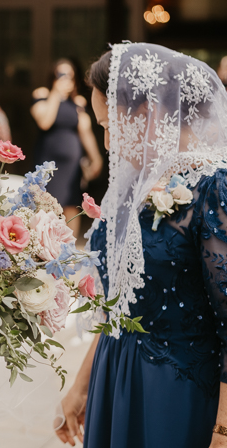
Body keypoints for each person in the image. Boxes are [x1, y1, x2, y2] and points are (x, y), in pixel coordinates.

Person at [56, 43, 227, 448]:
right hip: (114, 376)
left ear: (147, 113)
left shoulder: (211, 188)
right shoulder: (130, 186)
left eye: (108, 125)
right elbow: (121, 302)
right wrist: (82, 385)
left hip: (177, 391)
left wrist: (223, 428)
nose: (109, 143)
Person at [31, 59, 102, 237]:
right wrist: (56, 93)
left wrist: (96, 158)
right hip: (48, 162)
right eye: (61, 75)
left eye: (70, 76)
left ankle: (69, 247)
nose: (66, 79)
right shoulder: (42, 94)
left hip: (71, 165)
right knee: (48, 203)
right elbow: (45, 122)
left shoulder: (78, 103)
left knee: (71, 203)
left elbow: (85, 132)